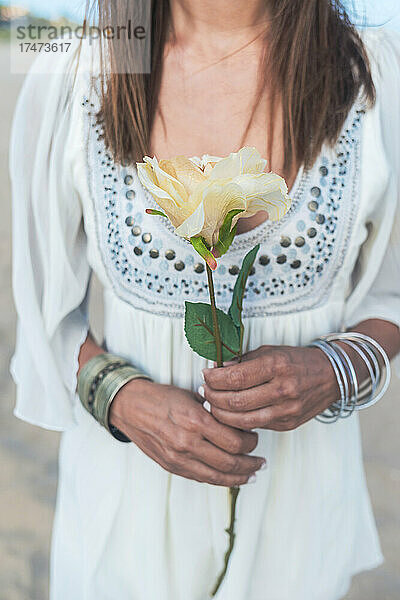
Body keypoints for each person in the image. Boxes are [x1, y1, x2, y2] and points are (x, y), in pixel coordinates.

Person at [9, 1, 400, 599]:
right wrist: (121, 397)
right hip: (123, 528)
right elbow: (44, 316)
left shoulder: (371, 78)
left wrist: (335, 369)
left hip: (297, 526)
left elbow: (390, 291)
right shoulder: (81, 73)